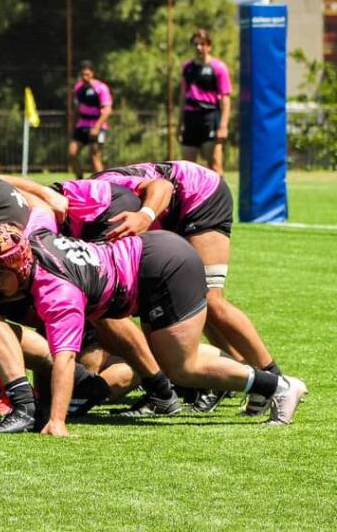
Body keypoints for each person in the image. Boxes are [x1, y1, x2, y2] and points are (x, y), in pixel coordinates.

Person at [0, 222, 307, 436]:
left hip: (162, 268)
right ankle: (265, 385)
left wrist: (57, 421)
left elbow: (62, 358)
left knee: (182, 368)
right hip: (151, 254)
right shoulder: (35, 238)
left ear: (21, 265)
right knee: (175, 356)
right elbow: (41, 211)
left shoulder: (56, 292)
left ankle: (280, 386)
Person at [93, 160, 287, 414]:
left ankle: (275, 381)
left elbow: (162, 186)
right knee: (177, 303)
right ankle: (224, 380)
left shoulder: (99, 194)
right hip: (172, 213)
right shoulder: (82, 203)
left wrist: (145, 215)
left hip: (200, 193)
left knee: (210, 300)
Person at [179, 29, 231, 174]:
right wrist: (179, 124)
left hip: (210, 117)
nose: (198, 48)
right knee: (187, 168)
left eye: (202, 44)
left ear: (209, 46)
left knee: (214, 165)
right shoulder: (187, 68)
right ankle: (191, 196)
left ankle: (220, 197)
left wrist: (223, 126)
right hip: (190, 119)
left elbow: (226, 100)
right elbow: (183, 97)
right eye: (195, 44)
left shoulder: (218, 68)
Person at [69, 60, 113, 178]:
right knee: (72, 153)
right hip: (82, 124)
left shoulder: (101, 88)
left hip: (97, 125)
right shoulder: (78, 88)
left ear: (92, 73)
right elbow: (77, 109)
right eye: (82, 75)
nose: (85, 77)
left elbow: (107, 110)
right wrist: (73, 125)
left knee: (95, 155)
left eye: (87, 74)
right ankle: (79, 180)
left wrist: (97, 126)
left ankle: (102, 183)